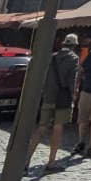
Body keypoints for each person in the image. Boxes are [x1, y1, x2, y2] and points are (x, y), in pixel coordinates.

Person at [31, 33, 81, 172]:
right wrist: (74, 94)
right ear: (75, 46)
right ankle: (51, 162)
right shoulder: (74, 59)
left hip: (49, 96)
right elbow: (72, 80)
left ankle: (25, 161)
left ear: (64, 43)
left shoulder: (52, 57)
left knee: (41, 128)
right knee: (58, 128)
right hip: (63, 98)